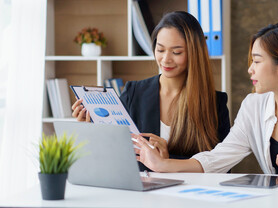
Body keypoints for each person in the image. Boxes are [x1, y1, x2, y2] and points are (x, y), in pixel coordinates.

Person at [133, 22, 278, 177]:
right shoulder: (254, 107)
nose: (250, 69)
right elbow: (219, 158)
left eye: (257, 61)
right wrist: (164, 164)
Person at [72, 11, 231, 170]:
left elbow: (222, 166)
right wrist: (89, 129)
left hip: (191, 192)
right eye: (160, 50)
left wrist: (167, 161)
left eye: (176, 52)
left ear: (194, 53)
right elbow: (113, 153)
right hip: (143, 192)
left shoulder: (215, 103)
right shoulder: (134, 92)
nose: (166, 59)